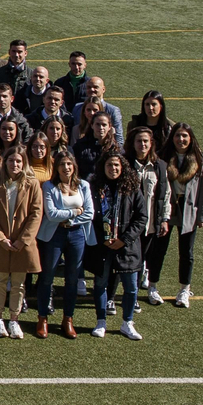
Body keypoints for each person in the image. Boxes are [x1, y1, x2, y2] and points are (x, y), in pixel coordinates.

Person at [0, 146, 44, 339]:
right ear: (5, 162)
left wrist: (23, 240)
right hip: (1, 242)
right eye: (11, 160)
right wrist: (1, 238)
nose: (14, 164)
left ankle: (14, 319)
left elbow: (36, 213)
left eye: (18, 161)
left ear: (23, 162)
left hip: (22, 244)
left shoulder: (32, 184)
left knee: (18, 283)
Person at [89, 152, 146, 340]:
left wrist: (125, 239)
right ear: (102, 167)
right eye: (109, 165)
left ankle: (127, 322)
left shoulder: (132, 188)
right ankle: (101, 321)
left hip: (126, 246)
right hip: (103, 245)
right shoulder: (95, 188)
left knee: (130, 287)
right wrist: (102, 237)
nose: (113, 169)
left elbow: (141, 217)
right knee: (100, 284)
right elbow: (90, 216)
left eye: (116, 165)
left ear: (122, 168)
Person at [35, 150, 92, 339]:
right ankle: (42, 318)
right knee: (47, 277)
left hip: (77, 235)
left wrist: (70, 220)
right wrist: (75, 212)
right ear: (56, 167)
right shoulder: (49, 187)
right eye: (62, 164)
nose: (66, 168)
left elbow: (89, 213)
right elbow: (51, 214)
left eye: (69, 164)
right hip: (54, 235)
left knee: (72, 279)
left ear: (74, 166)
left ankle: (68, 318)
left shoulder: (83, 186)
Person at [160, 122, 203, 309]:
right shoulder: (164, 158)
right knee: (160, 248)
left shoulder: (201, 159)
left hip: (189, 210)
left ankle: (184, 288)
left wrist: (202, 215)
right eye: (177, 136)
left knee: (186, 252)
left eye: (184, 136)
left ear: (191, 138)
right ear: (172, 138)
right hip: (168, 207)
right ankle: (152, 284)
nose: (181, 140)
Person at [126, 127, 171, 306]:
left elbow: (165, 195)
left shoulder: (160, 166)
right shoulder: (126, 163)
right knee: (133, 260)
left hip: (151, 223)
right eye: (139, 141)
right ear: (133, 143)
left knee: (147, 257)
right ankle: (129, 294)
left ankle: (149, 289)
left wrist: (164, 219)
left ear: (151, 143)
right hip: (130, 222)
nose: (142, 144)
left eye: (146, 141)